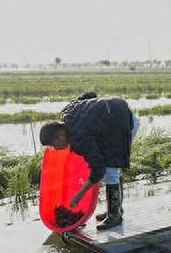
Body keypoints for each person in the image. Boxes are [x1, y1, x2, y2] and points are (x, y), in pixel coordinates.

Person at [39, 92, 139, 231]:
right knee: (111, 170)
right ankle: (115, 209)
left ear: (61, 135)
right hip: (116, 114)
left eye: (54, 144)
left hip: (124, 124)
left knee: (110, 169)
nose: (55, 148)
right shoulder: (67, 113)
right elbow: (89, 95)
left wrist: (79, 195)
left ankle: (115, 215)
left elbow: (98, 169)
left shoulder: (79, 138)